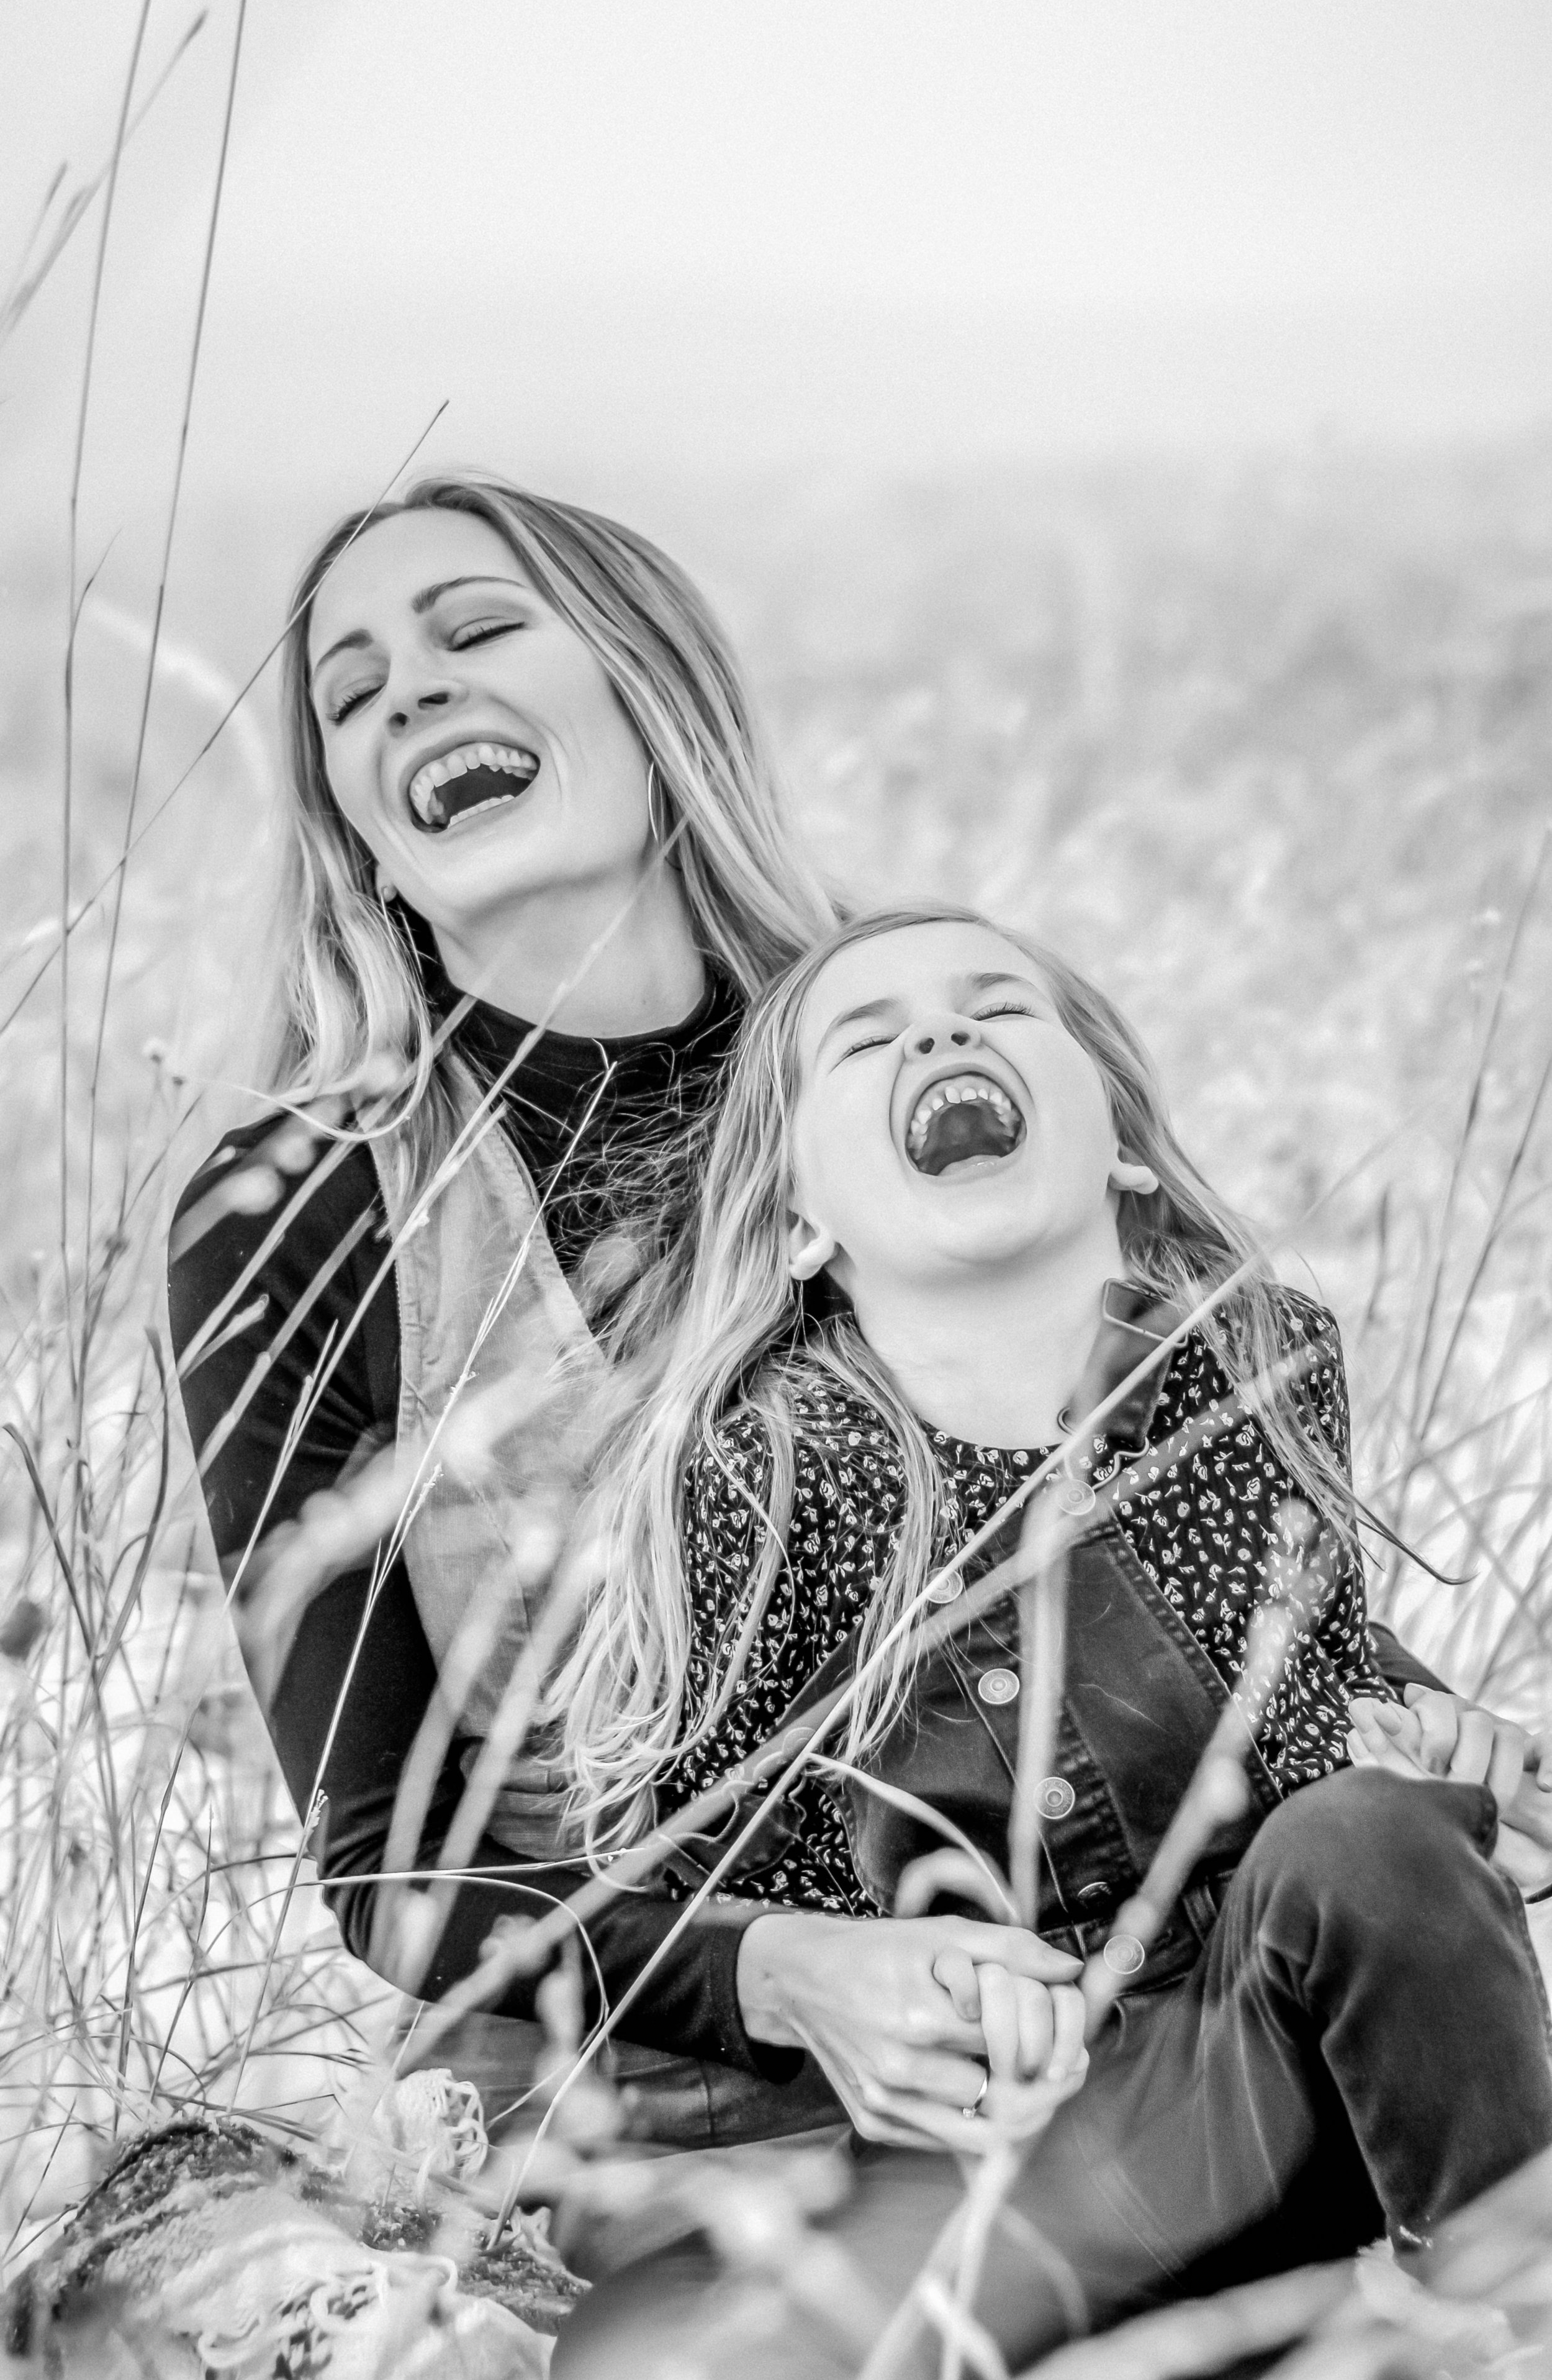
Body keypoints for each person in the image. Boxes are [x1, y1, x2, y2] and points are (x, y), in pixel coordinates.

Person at [171, 476, 1521, 2151]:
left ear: (648, 681)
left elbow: (1161, 1522)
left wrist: (1398, 1708)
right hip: (688, 2115)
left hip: (1133, 1987)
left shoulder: (893, 1036)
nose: (415, 695)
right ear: (353, 829)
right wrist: (788, 1966)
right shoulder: (313, 1196)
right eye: (353, 697)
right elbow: (390, 1868)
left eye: (477, 628)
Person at [551, 906, 1552, 2376]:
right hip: (1022, 2147)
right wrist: (846, 1967)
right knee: (658, 2349)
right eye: (867, 1037)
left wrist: (1424, 1739)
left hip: (1292, 2066)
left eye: (996, 1011)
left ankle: (1503, 2306)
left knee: (1372, 1840)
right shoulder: (773, 1474)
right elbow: (657, 1884)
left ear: (1119, 1142)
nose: (942, 1038)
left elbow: (1319, 1676)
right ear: (796, 1220)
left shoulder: (1258, 1362)